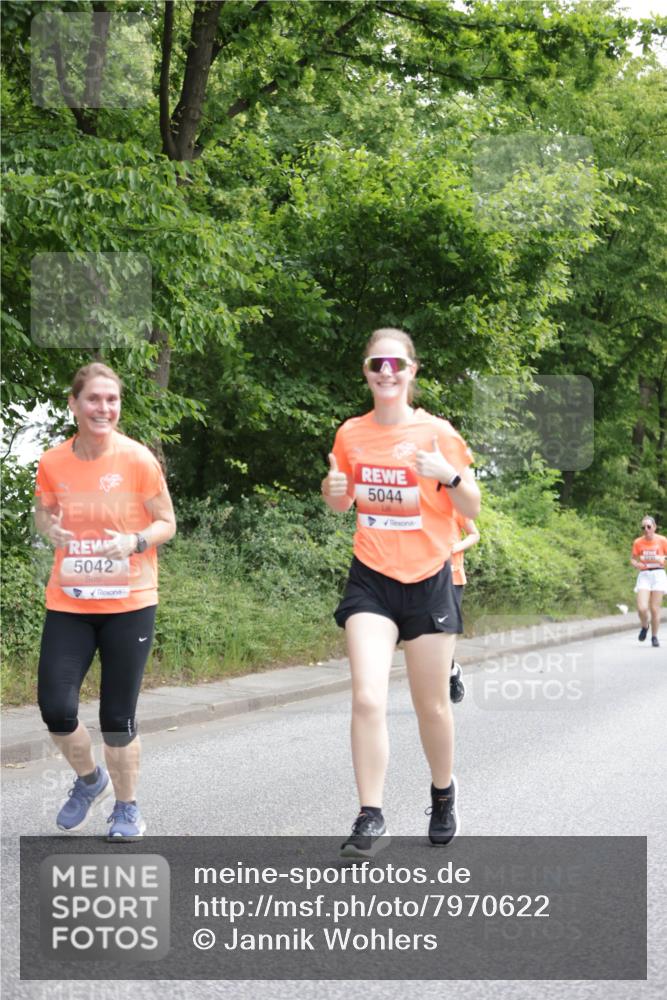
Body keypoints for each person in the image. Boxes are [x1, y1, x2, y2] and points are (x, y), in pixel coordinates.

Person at [322, 328, 480, 858]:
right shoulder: (351, 434)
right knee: (367, 695)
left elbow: (474, 507)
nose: (385, 372)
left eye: (395, 363)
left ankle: (442, 792)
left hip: (430, 579)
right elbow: (341, 502)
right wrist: (333, 491)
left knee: (430, 706)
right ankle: (371, 815)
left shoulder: (438, 432)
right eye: (375, 364)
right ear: (366, 372)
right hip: (371, 577)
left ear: (412, 371)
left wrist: (447, 475)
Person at [34, 362, 176, 839]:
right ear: (73, 404)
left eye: (111, 400)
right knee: (55, 708)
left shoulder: (137, 460)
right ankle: (89, 779)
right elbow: (44, 514)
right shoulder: (53, 462)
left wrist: (135, 541)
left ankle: (127, 807)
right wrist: (48, 527)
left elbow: (166, 524)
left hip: (129, 602)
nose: (104, 408)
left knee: (117, 717)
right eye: (93, 399)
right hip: (70, 601)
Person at [449, 513, 480, 703]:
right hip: (421, 578)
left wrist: (456, 548)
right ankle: (451, 670)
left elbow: (474, 534)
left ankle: (450, 673)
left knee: (444, 633)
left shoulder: (454, 505)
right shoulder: (414, 503)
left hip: (452, 578)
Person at [630, 516, 666, 648]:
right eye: (643, 527)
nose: (646, 529)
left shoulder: (662, 540)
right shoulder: (638, 542)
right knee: (642, 608)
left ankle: (654, 636)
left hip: (658, 574)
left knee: (655, 609)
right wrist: (637, 564)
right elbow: (633, 559)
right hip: (644, 574)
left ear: (654, 527)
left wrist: (663, 559)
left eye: (649, 527)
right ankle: (645, 625)